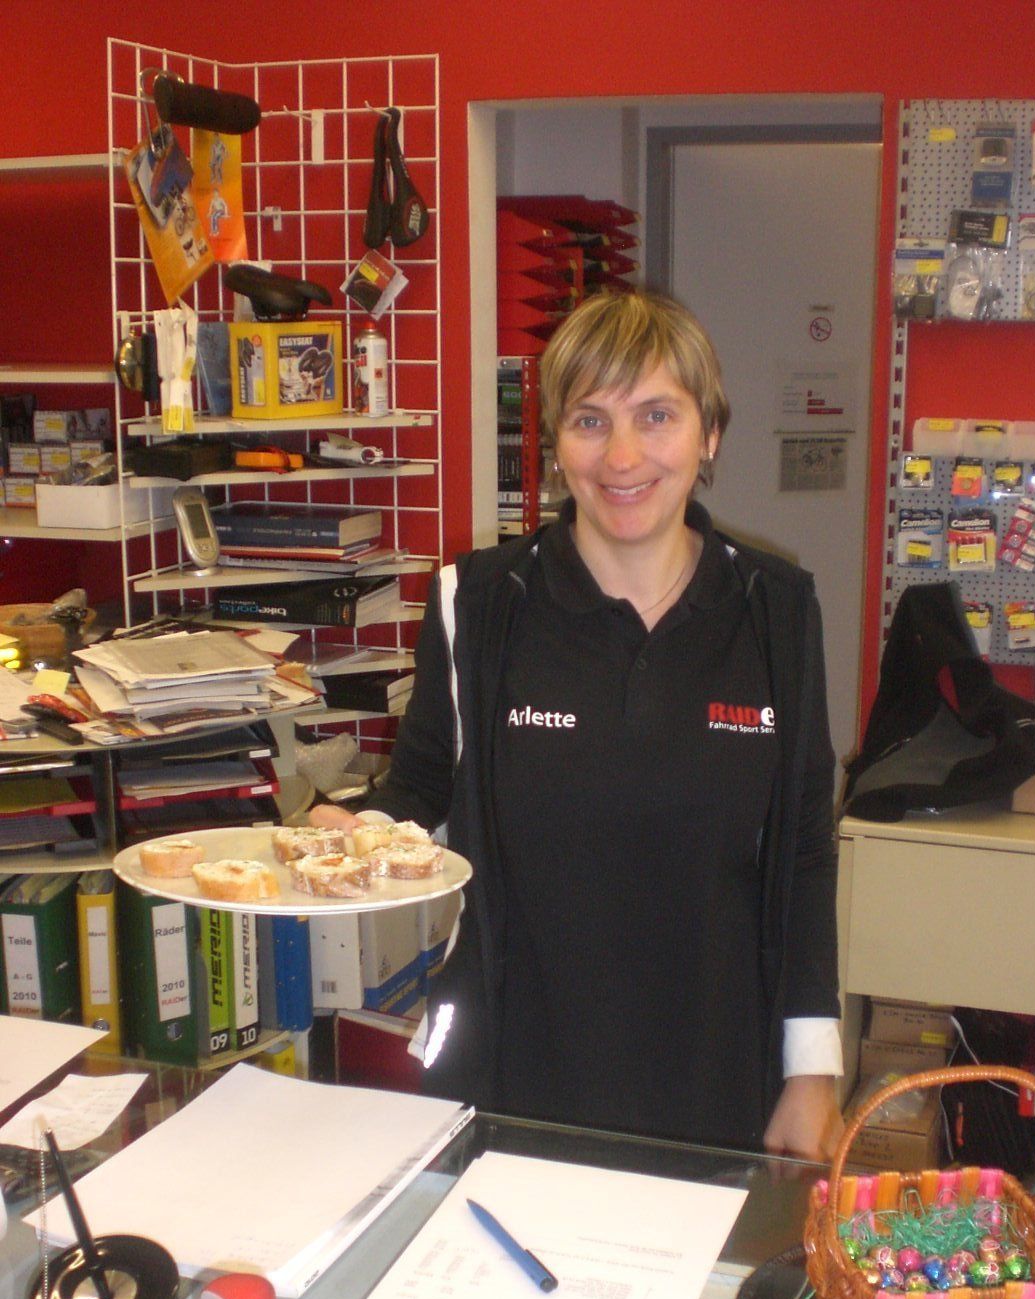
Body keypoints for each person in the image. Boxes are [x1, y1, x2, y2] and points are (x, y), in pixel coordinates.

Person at [313, 288, 843, 1161]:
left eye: (657, 416)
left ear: (710, 433)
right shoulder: (477, 601)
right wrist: (358, 833)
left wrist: (811, 1071)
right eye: (590, 420)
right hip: (513, 1070)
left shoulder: (776, 609)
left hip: (717, 1072)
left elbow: (805, 850)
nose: (623, 456)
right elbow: (421, 790)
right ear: (556, 443)